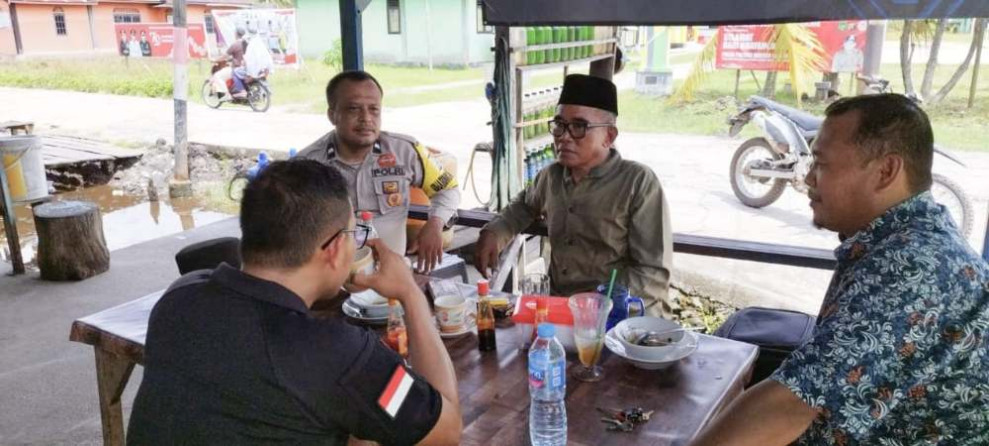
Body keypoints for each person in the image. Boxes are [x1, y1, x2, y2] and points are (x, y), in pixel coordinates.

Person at [691, 94, 989, 445]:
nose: (808, 178)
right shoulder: (907, 238)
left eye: (821, 164)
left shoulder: (915, 267)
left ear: (885, 172)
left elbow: (791, 404)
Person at [127, 160, 462, 445]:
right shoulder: (337, 354)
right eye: (353, 234)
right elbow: (446, 432)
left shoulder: (180, 296)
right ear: (334, 249)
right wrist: (409, 292)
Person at [476, 74, 672, 315]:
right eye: (559, 124)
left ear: (609, 136)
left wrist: (596, 301)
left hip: (618, 318)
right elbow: (524, 206)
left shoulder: (638, 182)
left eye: (579, 126)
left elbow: (652, 273)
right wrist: (495, 232)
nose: (564, 136)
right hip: (560, 309)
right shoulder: (552, 176)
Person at [298, 70, 461, 273]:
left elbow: (448, 188)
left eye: (374, 109)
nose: (366, 118)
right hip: (329, 279)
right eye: (354, 109)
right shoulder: (306, 165)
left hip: (392, 274)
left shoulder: (405, 152)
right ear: (332, 115)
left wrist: (435, 223)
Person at [210, 27, 247, 98]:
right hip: (245, 68)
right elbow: (239, 56)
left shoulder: (235, 45)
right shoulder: (246, 44)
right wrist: (231, 59)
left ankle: (226, 96)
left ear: (236, 34)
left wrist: (215, 60)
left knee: (217, 76)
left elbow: (224, 56)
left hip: (235, 68)